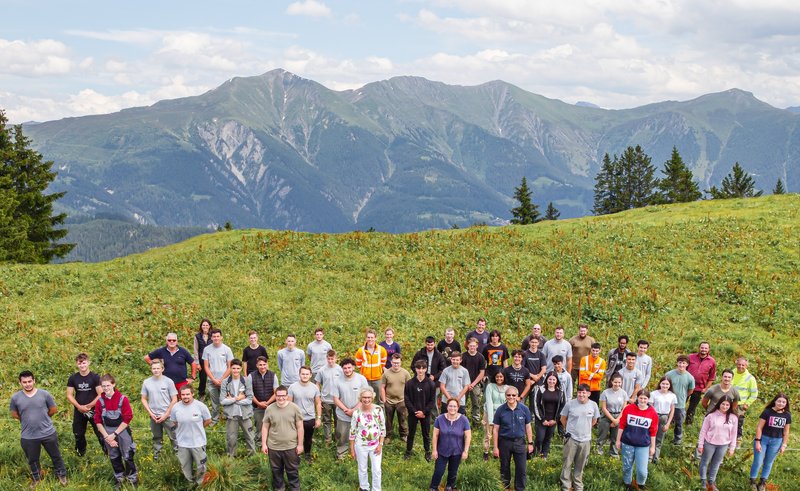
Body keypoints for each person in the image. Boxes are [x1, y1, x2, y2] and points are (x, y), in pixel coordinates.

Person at [10, 370, 68, 487]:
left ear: (34, 381)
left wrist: (44, 418)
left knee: (56, 456)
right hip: (28, 435)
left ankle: (61, 475)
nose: (27, 384)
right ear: (20, 383)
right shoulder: (15, 398)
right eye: (24, 382)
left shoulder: (44, 394)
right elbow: (14, 414)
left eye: (30, 381)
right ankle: (36, 479)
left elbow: (53, 409)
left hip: (48, 433)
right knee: (33, 460)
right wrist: (26, 419)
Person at [94, 374, 138, 489]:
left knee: (127, 455)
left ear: (113, 384)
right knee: (114, 456)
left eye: (108, 385)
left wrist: (114, 434)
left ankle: (132, 479)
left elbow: (127, 418)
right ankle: (120, 479)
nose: (106, 388)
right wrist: (107, 437)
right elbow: (97, 421)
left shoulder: (123, 399)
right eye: (103, 386)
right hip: (107, 432)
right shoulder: (100, 401)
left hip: (122, 431)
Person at [262, 385, 303, 491]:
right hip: (274, 447)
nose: (281, 398)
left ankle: (295, 488)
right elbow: (265, 427)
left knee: (292, 470)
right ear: (275, 396)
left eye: (283, 396)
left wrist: (300, 444)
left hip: (291, 446)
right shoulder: (269, 409)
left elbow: (300, 427)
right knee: (276, 470)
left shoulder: (294, 408)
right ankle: (279, 488)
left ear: (287, 395)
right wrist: (264, 444)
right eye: (278, 396)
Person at [492, 386, 534, 491]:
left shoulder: (524, 409)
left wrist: (530, 443)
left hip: (520, 442)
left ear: (517, 396)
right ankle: (505, 488)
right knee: (504, 467)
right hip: (504, 442)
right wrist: (495, 447)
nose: (511, 397)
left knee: (521, 469)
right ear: (505, 396)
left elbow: (528, 427)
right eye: (508, 395)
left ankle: (519, 488)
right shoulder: (500, 410)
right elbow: (495, 429)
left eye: (513, 395)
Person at [616, 389, 658, 491]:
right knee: (627, 466)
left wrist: (653, 447)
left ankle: (640, 484)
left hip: (643, 445)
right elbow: (621, 425)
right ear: (637, 398)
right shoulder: (628, 408)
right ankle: (627, 483)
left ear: (648, 399)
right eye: (640, 398)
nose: (642, 400)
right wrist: (618, 440)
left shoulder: (652, 413)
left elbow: (653, 431)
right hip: (628, 443)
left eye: (645, 398)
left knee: (642, 470)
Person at [560, 384, 600, 491]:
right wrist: (569, 430)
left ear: (589, 394)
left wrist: (585, 428)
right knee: (567, 463)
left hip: (585, 440)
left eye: (584, 392)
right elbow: (563, 419)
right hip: (571, 439)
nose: (581, 395)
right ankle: (566, 486)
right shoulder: (570, 404)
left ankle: (578, 485)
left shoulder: (594, 405)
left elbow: (594, 420)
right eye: (579, 392)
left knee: (580, 464)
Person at [171, 385, 212, 486]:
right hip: (182, 443)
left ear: (192, 394)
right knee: (185, 465)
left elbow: (208, 420)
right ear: (180, 395)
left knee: (201, 465)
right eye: (183, 395)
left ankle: (200, 484)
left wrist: (198, 428)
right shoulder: (175, 407)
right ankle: (189, 483)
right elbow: (175, 422)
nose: (185, 396)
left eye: (187, 394)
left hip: (198, 442)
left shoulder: (200, 406)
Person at [750, 393, 791, 491]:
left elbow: (786, 431)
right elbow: (759, 427)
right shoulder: (767, 412)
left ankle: (762, 482)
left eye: (783, 402)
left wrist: (784, 445)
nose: (781, 403)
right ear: (775, 401)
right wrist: (758, 441)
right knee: (758, 461)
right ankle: (752, 480)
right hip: (763, 439)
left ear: (786, 403)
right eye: (779, 401)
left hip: (776, 441)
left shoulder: (787, 415)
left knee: (768, 462)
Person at [66, 352, 104, 456]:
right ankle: (80, 454)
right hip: (79, 410)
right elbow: (69, 395)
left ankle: (108, 452)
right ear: (76, 364)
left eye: (84, 363)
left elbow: (101, 394)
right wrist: (79, 407)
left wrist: (89, 406)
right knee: (78, 433)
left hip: (94, 410)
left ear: (88, 363)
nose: (82, 365)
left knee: (100, 432)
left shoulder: (95, 377)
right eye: (80, 363)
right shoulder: (73, 378)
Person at [430, 398, 471, 491]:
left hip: (457, 451)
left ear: (458, 408)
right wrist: (434, 450)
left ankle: (449, 486)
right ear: (447, 407)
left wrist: (465, 451)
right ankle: (433, 487)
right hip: (442, 451)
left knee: (453, 472)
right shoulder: (439, 419)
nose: (452, 408)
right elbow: (435, 435)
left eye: (455, 406)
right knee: (439, 471)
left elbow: (468, 436)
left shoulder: (464, 420)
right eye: (450, 406)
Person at [140, 358, 178, 461]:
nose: (156, 370)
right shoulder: (147, 382)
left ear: (162, 369)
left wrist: (166, 414)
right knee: (156, 437)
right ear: (151, 369)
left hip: (168, 416)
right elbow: (143, 399)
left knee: (174, 436)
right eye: (154, 368)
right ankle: (157, 456)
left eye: (158, 368)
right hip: (154, 416)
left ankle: (179, 455)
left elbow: (174, 399)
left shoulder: (168, 381)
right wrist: (150, 413)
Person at [698, 396, 738, 491]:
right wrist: (700, 444)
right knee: (705, 462)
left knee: (716, 463)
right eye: (723, 404)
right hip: (710, 443)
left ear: (730, 406)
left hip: (723, 445)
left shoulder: (733, 418)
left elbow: (734, 433)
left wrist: (732, 447)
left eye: (727, 405)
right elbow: (703, 431)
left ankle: (711, 481)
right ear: (719, 404)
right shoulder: (710, 416)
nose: (725, 406)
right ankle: (703, 480)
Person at [332, 358, 369, 459]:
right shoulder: (337, 381)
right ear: (342, 369)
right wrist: (346, 410)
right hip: (343, 414)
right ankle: (341, 454)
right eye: (345, 368)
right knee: (342, 435)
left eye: (349, 367)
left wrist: (354, 410)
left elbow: (366, 396)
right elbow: (335, 399)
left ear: (353, 367)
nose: (347, 370)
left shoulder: (361, 379)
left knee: (360, 434)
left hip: (359, 413)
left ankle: (358, 454)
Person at [350, 389, 386, 491]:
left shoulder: (378, 409)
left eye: (369, 397)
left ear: (372, 398)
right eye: (364, 397)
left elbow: (382, 428)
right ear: (360, 398)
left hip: (375, 445)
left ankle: (376, 489)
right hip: (361, 445)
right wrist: (352, 448)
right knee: (362, 468)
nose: (366, 400)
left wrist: (380, 444)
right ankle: (364, 487)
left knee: (377, 469)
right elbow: (352, 431)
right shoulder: (356, 413)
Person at [220, 359, 256, 457]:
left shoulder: (246, 381)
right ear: (230, 368)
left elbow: (250, 399)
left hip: (245, 414)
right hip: (231, 414)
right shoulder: (225, 382)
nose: (235, 370)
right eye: (233, 368)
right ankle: (231, 457)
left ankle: (252, 456)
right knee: (231, 438)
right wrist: (237, 398)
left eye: (238, 368)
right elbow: (222, 400)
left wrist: (232, 400)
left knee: (250, 436)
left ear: (241, 369)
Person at [287, 366, 321, 463]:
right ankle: (295, 455)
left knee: (308, 438)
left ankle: (307, 455)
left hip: (310, 418)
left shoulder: (314, 388)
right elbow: (289, 403)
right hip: (296, 418)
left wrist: (318, 418)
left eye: (307, 374)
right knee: (295, 438)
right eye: (303, 374)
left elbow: (318, 403)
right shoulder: (292, 387)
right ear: (299, 375)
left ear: (310, 375)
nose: (305, 376)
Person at [404, 360, 436, 461]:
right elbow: (407, 399)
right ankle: (408, 451)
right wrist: (414, 412)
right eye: (418, 368)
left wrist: (424, 412)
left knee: (426, 434)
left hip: (425, 414)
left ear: (426, 369)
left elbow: (432, 401)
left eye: (423, 368)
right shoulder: (409, 383)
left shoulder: (431, 384)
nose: (420, 371)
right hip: (413, 413)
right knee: (411, 433)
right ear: (415, 369)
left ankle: (427, 452)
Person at [202, 328, 234, 424]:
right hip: (212, 380)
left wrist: (222, 379)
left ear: (221, 337)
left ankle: (228, 417)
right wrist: (213, 379)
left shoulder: (227, 349)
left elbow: (230, 367)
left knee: (226, 399)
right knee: (214, 401)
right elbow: (206, 367)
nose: (216, 338)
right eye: (214, 336)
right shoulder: (207, 349)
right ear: (211, 338)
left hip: (225, 380)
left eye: (218, 336)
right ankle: (215, 419)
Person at [532, 371, 566, 459]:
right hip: (541, 420)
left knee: (548, 438)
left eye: (554, 379)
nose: (551, 381)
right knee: (540, 438)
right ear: (546, 379)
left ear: (557, 380)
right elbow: (536, 405)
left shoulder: (560, 391)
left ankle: (544, 455)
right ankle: (535, 454)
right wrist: (542, 419)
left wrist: (556, 420)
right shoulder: (540, 389)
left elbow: (563, 406)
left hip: (553, 420)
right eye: (550, 379)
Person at [380, 353, 410, 443]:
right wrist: (384, 400)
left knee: (403, 418)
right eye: (394, 362)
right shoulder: (386, 373)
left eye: (398, 363)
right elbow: (382, 387)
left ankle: (404, 434)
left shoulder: (405, 373)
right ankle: (388, 436)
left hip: (401, 400)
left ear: (401, 362)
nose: (396, 364)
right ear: (391, 362)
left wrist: (407, 399)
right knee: (388, 419)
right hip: (389, 400)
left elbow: (409, 387)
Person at [666, 354, 695, 445]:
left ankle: (677, 439)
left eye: (684, 363)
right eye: (680, 362)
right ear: (677, 363)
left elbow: (690, 390)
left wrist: (683, 396)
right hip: (667, 403)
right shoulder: (669, 374)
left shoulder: (690, 377)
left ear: (687, 364)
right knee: (664, 420)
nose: (681, 365)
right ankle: (662, 436)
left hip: (680, 403)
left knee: (679, 423)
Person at [315, 349, 343, 443]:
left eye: (332, 359)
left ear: (336, 358)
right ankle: (328, 439)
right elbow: (317, 384)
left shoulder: (340, 369)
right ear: (326, 358)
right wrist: (318, 398)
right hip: (326, 399)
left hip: (338, 400)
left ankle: (338, 439)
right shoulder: (322, 370)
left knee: (338, 420)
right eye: (329, 359)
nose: (330, 361)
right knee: (326, 420)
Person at [686, 341, 717, 426]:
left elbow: (711, 377)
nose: (703, 349)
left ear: (708, 349)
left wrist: (706, 388)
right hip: (686, 386)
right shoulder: (690, 357)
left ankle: (688, 423)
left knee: (693, 406)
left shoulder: (712, 361)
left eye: (706, 348)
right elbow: (683, 369)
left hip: (699, 388)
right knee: (680, 404)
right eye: (702, 347)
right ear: (699, 348)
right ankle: (674, 421)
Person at [597, 372, 626, 456]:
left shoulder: (623, 393)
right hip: (606, 416)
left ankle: (614, 453)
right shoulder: (605, 392)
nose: (617, 384)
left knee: (615, 437)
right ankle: (598, 452)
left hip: (619, 416)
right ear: (612, 382)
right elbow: (604, 408)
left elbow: (624, 408)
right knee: (602, 435)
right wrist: (612, 419)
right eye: (615, 382)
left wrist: (617, 420)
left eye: (619, 382)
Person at [251, 355, 279, 443]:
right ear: (257, 365)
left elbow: (276, 392)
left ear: (267, 364)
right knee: (259, 426)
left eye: (264, 364)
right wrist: (259, 403)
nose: (262, 366)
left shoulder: (273, 375)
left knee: (273, 425)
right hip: (257, 406)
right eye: (260, 365)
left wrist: (267, 403)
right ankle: (259, 444)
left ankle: (271, 443)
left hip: (271, 406)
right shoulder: (251, 376)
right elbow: (249, 393)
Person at [356, 329, 388, 405]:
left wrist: (378, 371)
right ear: (366, 338)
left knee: (379, 400)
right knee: (365, 398)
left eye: (372, 337)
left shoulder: (381, 350)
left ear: (375, 338)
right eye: (368, 337)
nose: (370, 339)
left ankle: (380, 412)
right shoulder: (361, 350)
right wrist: (364, 371)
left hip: (377, 379)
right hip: (365, 379)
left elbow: (383, 363)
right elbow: (358, 363)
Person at [733, 356, 759, 448]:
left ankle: (737, 443)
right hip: (728, 403)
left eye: (743, 365)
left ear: (746, 366)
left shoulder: (750, 378)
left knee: (738, 424)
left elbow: (754, 393)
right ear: (736, 364)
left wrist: (747, 403)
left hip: (740, 405)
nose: (740, 366)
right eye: (739, 364)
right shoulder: (731, 373)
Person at [483, 371, 509, 461]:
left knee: (500, 434)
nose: (499, 378)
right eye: (497, 376)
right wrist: (491, 420)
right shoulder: (490, 386)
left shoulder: (507, 388)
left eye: (501, 376)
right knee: (488, 433)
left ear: (504, 377)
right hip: (490, 412)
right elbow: (489, 402)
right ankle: (486, 452)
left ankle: (498, 451)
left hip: (502, 414)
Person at [461, 337, 486, 427]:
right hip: (464, 384)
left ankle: (476, 422)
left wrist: (473, 384)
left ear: (477, 346)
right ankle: (462, 420)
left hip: (475, 384)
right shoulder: (463, 356)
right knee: (462, 403)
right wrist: (466, 384)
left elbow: (482, 373)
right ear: (468, 346)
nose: (472, 347)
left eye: (474, 346)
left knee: (476, 403)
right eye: (470, 346)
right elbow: (460, 371)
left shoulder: (480, 357)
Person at [650, 376, 676, 462]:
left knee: (659, 438)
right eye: (663, 383)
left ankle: (656, 458)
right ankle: (649, 457)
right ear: (660, 384)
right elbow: (651, 407)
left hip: (664, 417)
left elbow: (672, 410)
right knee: (651, 436)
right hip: (654, 416)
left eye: (667, 384)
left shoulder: (672, 395)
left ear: (670, 385)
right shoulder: (654, 394)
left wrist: (668, 423)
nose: (665, 386)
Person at [193, 319, 213, 398]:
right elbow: (195, 350)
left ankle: (213, 393)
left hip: (212, 360)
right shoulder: (197, 336)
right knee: (203, 378)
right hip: (202, 360)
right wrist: (197, 363)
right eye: (203, 325)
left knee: (213, 376)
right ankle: (201, 393)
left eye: (206, 325)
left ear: (209, 326)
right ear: (201, 326)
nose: (205, 327)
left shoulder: (213, 335)